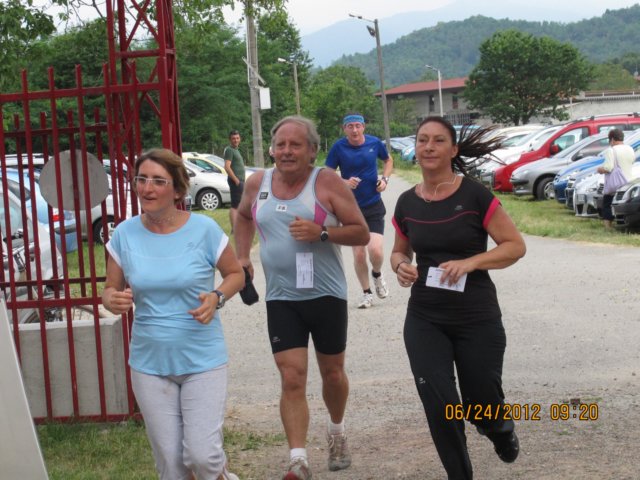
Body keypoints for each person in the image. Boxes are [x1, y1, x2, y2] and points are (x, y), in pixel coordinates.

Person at [390, 117, 527, 480]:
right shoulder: (406, 202)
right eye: (422, 140)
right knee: (440, 404)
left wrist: (471, 263)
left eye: (438, 140)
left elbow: (515, 246)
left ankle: (498, 428)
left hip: (476, 315)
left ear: (453, 150)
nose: (429, 146)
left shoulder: (475, 196)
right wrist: (400, 265)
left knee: (481, 403)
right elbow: (399, 251)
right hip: (425, 316)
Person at [234, 116, 369, 479]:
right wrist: (243, 255)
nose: (287, 151)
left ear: (312, 150)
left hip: (325, 294)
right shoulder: (258, 182)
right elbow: (243, 216)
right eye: (280, 144)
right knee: (291, 376)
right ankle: (298, 459)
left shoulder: (326, 182)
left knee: (333, 373)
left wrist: (322, 232)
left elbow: (361, 232)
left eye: (295, 145)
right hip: (281, 297)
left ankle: (337, 430)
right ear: (272, 149)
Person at [102, 148, 245, 480]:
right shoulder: (124, 234)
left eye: (158, 181)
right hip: (149, 362)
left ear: (178, 190)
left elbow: (236, 274)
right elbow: (110, 289)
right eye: (141, 179)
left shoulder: (204, 230)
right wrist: (112, 300)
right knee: (171, 464)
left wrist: (217, 297)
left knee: (202, 457)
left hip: (202, 359)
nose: (147, 188)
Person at [325, 113, 394, 309]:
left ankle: (377, 274)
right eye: (350, 126)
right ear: (344, 129)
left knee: (375, 251)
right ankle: (366, 293)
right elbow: (327, 174)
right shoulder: (339, 147)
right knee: (359, 254)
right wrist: (344, 182)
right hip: (350, 209)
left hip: (373, 205)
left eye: (358, 125)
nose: (354, 130)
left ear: (363, 127)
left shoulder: (374, 143)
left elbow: (388, 161)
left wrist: (385, 180)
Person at [597, 128, 635, 229]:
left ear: (612, 139)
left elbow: (608, 168)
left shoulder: (611, 150)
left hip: (615, 184)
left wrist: (600, 169)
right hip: (628, 181)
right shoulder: (630, 149)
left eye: (610, 140)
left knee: (607, 204)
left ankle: (608, 227)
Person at [223, 130, 246, 230]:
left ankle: (238, 226)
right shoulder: (229, 150)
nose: (236, 140)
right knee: (235, 206)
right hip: (235, 181)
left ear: (240, 139)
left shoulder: (236, 150)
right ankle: (235, 229)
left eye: (237, 138)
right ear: (230, 140)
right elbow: (227, 167)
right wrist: (236, 180)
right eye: (233, 138)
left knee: (239, 204)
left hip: (240, 181)